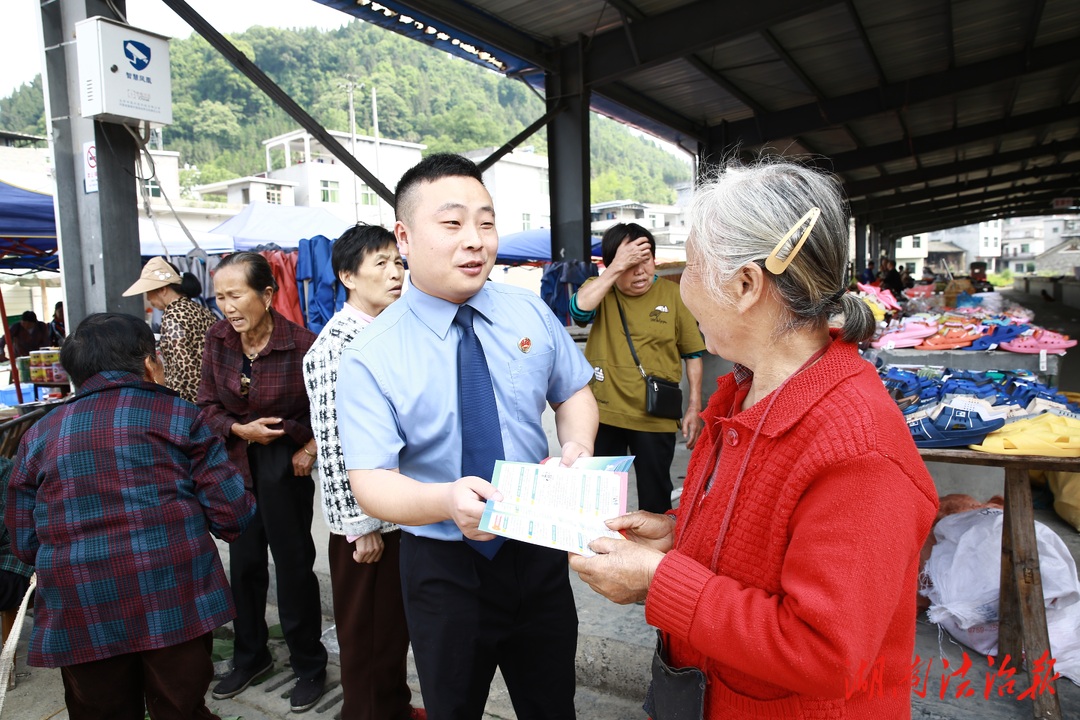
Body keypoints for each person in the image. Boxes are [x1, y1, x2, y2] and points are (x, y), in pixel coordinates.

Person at [569, 160, 939, 720]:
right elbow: (760, 541)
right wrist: (677, 535)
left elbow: (825, 651)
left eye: (691, 265)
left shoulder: (859, 450)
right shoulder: (742, 394)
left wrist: (659, 580)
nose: (680, 285)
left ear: (746, 285)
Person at [336, 153, 598, 720]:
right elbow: (371, 482)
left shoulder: (529, 311)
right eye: (452, 224)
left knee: (553, 704)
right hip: (443, 568)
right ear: (404, 237)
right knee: (454, 707)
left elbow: (572, 392)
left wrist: (577, 446)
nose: (475, 240)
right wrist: (443, 501)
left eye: (486, 222)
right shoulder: (369, 355)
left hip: (538, 548)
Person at [5, 312, 255, 720]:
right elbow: (232, 515)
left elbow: (24, 541)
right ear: (150, 363)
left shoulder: (40, 434)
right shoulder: (179, 416)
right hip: (174, 597)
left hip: (80, 601)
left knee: (98, 711)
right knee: (180, 709)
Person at [196, 252, 328, 713]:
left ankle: (309, 664)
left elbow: (325, 411)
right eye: (220, 298)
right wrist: (237, 430)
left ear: (267, 294)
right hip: (236, 463)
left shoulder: (302, 345)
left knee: (293, 568)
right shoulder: (217, 340)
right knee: (245, 565)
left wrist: (307, 449)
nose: (227, 307)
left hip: (282, 464)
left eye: (236, 295)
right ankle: (250, 657)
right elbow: (207, 405)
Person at [302, 224, 423, 720]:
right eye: (381, 264)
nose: (395, 273)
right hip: (369, 523)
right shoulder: (336, 347)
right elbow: (333, 442)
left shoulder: (384, 330)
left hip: (395, 508)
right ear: (347, 276)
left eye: (399, 262)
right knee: (369, 636)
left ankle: (393, 706)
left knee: (390, 630)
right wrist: (360, 526)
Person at [569, 223, 705, 513]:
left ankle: (651, 558)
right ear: (613, 265)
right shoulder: (601, 291)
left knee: (655, 499)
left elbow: (693, 354)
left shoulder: (673, 295)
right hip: (604, 414)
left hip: (655, 417)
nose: (641, 271)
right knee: (598, 498)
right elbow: (579, 310)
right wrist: (615, 268)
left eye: (646, 260)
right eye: (631, 264)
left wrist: (694, 407)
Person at [123, 257, 216, 403]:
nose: (149, 298)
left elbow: (184, 367)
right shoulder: (199, 309)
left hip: (195, 402)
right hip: (213, 392)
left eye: (149, 292)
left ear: (162, 289)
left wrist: (180, 404)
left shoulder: (173, 316)